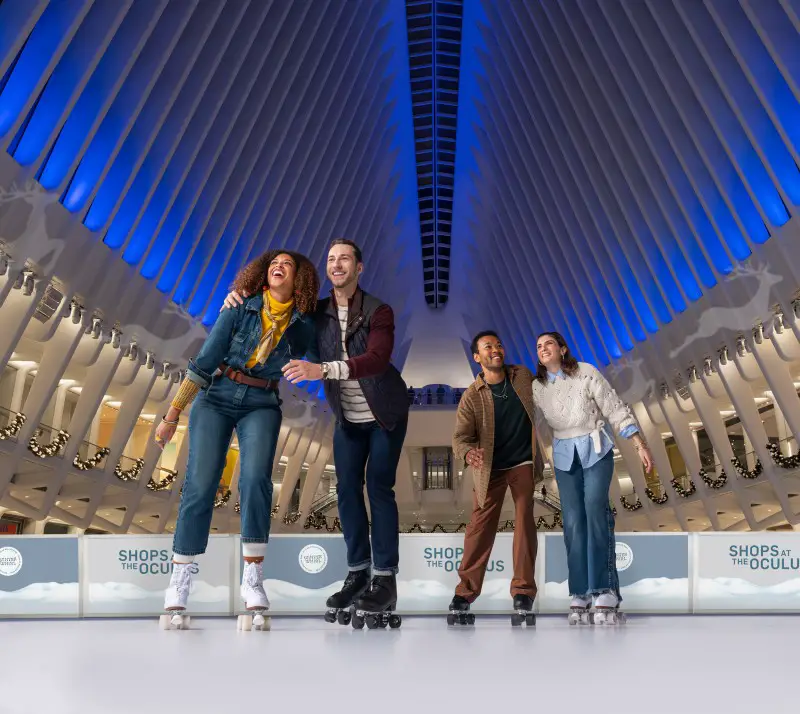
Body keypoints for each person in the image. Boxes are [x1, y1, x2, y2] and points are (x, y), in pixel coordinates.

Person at [223, 239, 409, 627]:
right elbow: (280, 317)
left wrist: (322, 370)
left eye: (344, 258)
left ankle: (385, 578)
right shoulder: (317, 313)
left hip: (384, 412)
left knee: (378, 488)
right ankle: (358, 572)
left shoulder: (379, 311)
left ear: (359, 268)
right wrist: (240, 300)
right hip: (347, 418)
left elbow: (377, 360)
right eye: (331, 259)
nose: (336, 264)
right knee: (345, 492)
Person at [154, 250, 320, 624]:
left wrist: (321, 370)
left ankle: (253, 577)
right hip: (216, 396)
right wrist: (172, 414)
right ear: (265, 272)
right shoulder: (239, 307)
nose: (279, 267)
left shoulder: (304, 324)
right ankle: (180, 578)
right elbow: (204, 360)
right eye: (274, 262)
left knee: (256, 479)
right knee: (200, 483)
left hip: (262, 401)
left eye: (288, 265)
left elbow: (330, 340)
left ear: (299, 279)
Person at [531, 331, 654, 625]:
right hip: (562, 455)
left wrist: (639, 443)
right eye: (538, 346)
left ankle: (605, 589)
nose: (543, 349)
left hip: (596, 449)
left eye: (549, 343)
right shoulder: (537, 387)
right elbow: (530, 423)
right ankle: (580, 592)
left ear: (563, 348)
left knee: (595, 512)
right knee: (572, 522)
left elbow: (613, 406)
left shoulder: (586, 372)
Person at [450, 331, 542, 625]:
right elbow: (460, 438)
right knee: (479, 528)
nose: (496, 349)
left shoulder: (522, 376)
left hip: (523, 462)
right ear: (477, 358)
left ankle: (523, 593)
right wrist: (468, 454)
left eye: (499, 344)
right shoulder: (471, 397)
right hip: (490, 469)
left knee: (524, 518)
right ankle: (464, 593)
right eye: (488, 347)